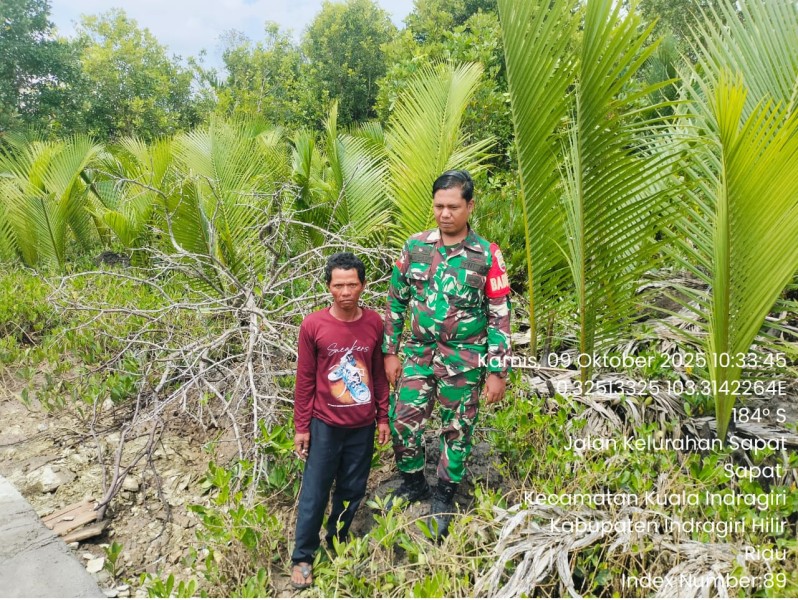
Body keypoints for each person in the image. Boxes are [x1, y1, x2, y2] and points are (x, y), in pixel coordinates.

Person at [383, 169, 511, 539]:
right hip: (419, 354)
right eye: (439, 206)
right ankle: (412, 484)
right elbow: (396, 300)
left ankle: (444, 494)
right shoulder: (415, 247)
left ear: (470, 206)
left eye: (453, 206)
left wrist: (497, 370)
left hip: (464, 358)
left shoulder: (487, 254)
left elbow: (499, 314)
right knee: (403, 420)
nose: (445, 214)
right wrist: (389, 353)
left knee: (457, 429)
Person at [290, 252, 391, 589]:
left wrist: (382, 418)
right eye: (339, 285)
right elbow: (305, 379)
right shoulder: (313, 325)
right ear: (328, 287)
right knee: (315, 494)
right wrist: (302, 427)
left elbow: (378, 375)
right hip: (325, 426)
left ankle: (337, 543)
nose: (346, 291)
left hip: (361, 427)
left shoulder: (374, 323)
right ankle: (303, 557)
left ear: (363, 285)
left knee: (351, 491)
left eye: (352, 284)